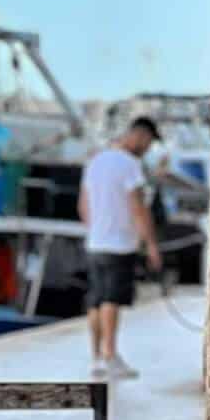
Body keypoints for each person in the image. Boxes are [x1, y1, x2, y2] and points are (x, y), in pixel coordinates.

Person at [79, 115, 162, 382]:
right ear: (139, 136)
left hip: (95, 242)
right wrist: (151, 245)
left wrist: (97, 227)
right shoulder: (130, 165)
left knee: (96, 300)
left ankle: (96, 358)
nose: (148, 149)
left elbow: (83, 205)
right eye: (148, 143)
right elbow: (138, 207)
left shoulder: (95, 161)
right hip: (120, 245)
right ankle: (111, 355)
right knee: (111, 300)